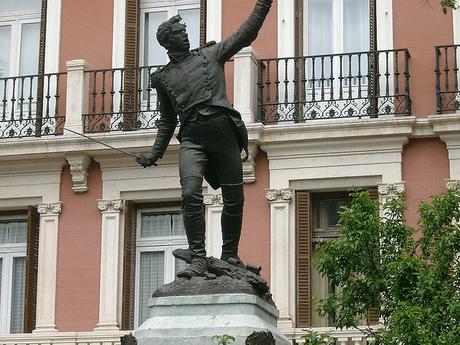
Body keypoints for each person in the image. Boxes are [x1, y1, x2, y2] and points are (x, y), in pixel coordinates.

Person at [136, 0, 273, 278]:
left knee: (234, 198)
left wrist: (263, 4)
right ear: (167, 42)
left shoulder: (210, 54)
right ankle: (198, 257)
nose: (185, 35)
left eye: (185, 32)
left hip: (223, 134)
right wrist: (155, 153)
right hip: (192, 140)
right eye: (179, 33)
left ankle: (230, 255)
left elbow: (245, 33)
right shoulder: (162, 78)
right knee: (189, 194)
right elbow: (167, 120)